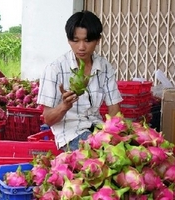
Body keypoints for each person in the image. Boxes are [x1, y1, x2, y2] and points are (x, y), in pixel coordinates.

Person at [37, 10, 123, 151]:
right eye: (75, 41)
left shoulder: (105, 67)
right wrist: (64, 106)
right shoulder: (55, 69)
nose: (81, 47)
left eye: (87, 41)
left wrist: (113, 134)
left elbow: (114, 108)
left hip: (98, 128)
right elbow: (48, 119)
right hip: (70, 134)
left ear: (98, 40)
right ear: (69, 40)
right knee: (99, 156)